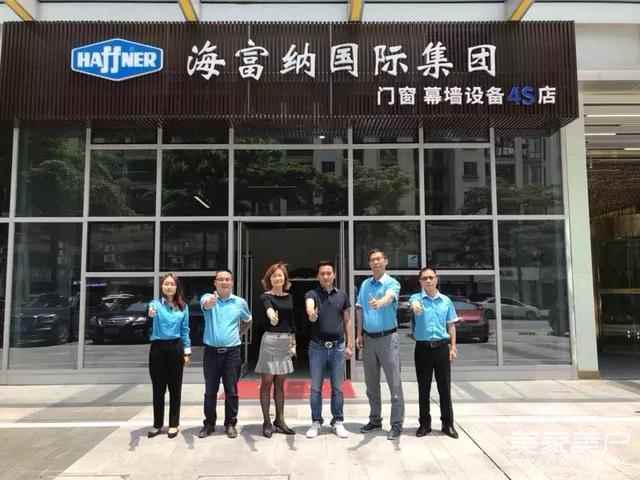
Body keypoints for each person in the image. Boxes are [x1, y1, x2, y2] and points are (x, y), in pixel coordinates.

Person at [356, 249, 405, 440]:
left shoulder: (392, 283)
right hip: (368, 340)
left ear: (385, 262)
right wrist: (359, 334)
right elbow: (360, 310)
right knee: (371, 385)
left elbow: (390, 297)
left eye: (379, 259)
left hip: (388, 339)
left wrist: (380, 302)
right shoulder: (365, 284)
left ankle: (396, 424)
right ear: (369, 264)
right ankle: (375, 419)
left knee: (394, 384)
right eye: (372, 260)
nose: (375, 262)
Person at [198, 269, 252, 439]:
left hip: (232, 353)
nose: (224, 282)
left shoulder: (240, 302)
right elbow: (206, 304)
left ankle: (230, 423)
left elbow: (248, 320)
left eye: (227, 279)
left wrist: (238, 334)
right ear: (215, 283)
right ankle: (209, 424)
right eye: (220, 279)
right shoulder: (207, 298)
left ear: (232, 282)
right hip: (211, 353)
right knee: (210, 390)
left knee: (231, 390)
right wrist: (211, 302)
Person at [304, 261, 353, 439]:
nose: (325, 276)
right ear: (318, 276)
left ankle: (338, 421)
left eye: (328, 273)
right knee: (315, 388)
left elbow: (347, 320)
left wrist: (349, 344)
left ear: (334, 275)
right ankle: (316, 422)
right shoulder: (312, 294)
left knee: (337, 388)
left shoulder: (342, 295)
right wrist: (311, 314)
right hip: (317, 347)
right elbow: (309, 307)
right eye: (322, 273)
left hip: (338, 347)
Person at [410, 267, 459, 439]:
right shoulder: (416, 298)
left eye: (431, 277)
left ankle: (448, 424)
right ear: (420, 282)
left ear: (437, 279)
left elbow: (451, 325)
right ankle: (424, 424)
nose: (428, 280)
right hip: (422, 348)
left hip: (441, 348)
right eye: (424, 278)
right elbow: (413, 305)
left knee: (444, 387)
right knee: (423, 388)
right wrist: (415, 307)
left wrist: (453, 347)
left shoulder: (446, 301)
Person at [147, 273, 191, 439]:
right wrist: (150, 313)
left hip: (176, 348)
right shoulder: (155, 304)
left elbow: (185, 330)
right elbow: (150, 313)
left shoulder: (183, 307)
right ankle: (157, 424)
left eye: (172, 284)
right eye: (166, 284)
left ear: (176, 287)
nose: (169, 287)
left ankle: (173, 424)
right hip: (158, 348)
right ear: (161, 286)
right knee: (158, 389)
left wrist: (187, 352)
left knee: (175, 388)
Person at [255, 262, 297, 438]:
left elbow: (291, 321)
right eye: (274, 276)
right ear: (269, 279)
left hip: (286, 341)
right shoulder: (265, 296)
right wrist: (272, 316)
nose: (277, 278)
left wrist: (293, 343)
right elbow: (269, 310)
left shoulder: (289, 297)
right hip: (270, 341)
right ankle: (266, 421)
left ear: (284, 278)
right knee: (266, 382)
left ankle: (280, 420)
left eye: (280, 275)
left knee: (280, 384)